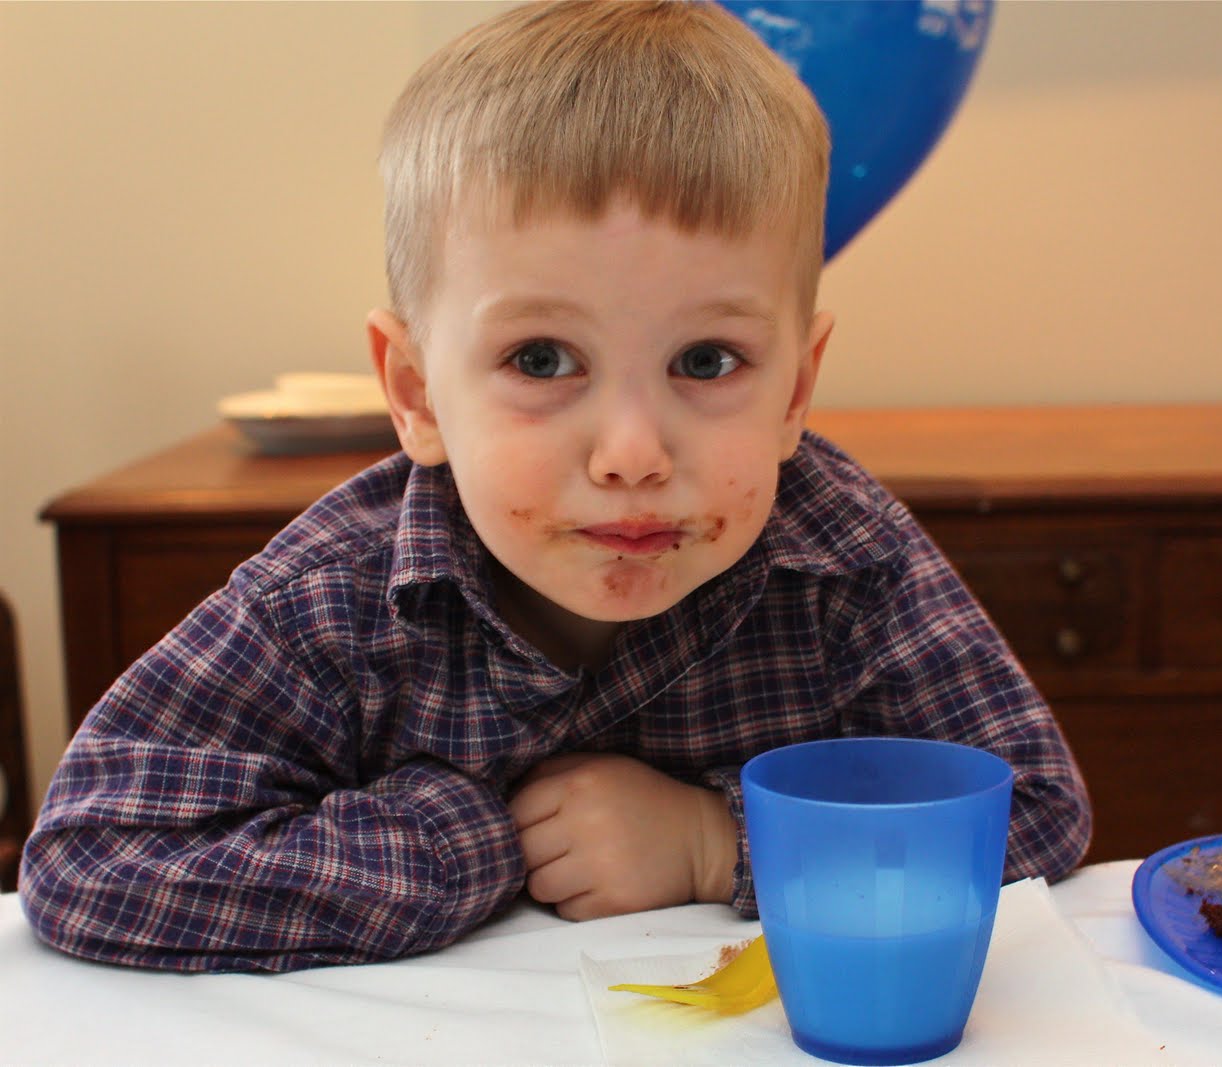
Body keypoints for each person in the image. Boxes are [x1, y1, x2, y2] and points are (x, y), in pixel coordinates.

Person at [20, 0, 1091, 973]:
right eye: (541, 359)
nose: (631, 451)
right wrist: (462, 841)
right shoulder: (330, 597)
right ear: (416, 392)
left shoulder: (841, 553)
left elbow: (1036, 810)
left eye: (707, 362)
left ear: (796, 387)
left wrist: (716, 840)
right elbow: (88, 859)